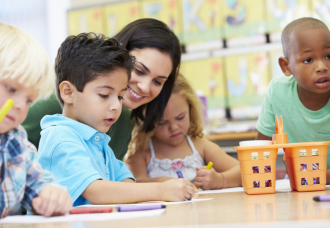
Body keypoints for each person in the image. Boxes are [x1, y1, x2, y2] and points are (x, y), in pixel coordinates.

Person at [37, 33, 196, 206]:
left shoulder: (98, 141)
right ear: (68, 92)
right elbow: (95, 191)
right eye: (104, 95)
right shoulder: (60, 137)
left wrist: (164, 187)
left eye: (120, 96)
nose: (116, 106)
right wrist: (161, 191)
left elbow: (125, 183)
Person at [22, 18, 181, 161]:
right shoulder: (60, 100)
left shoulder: (124, 120)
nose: (145, 87)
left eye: (158, 82)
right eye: (139, 71)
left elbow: (108, 184)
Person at [256, 17, 330, 184]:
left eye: (329, 56)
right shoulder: (277, 91)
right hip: (296, 185)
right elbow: (260, 151)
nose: (322, 66)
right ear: (286, 67)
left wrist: (311, 176)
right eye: (308, 60)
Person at [0, 23, 72, 218]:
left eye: (28, 100)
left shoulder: (16, 141)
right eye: (12, 89)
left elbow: (37, 181)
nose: (20, 105)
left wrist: (51, 195)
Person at [126, 73, 242, 190]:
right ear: (147, 121)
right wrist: (162, 183)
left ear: (190, 110)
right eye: (162, 122)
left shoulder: (201, 147)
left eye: (180, 117)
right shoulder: (141, 154)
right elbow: (132, 186)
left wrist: (220, 180)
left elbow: (244, 171)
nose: (174, 127)